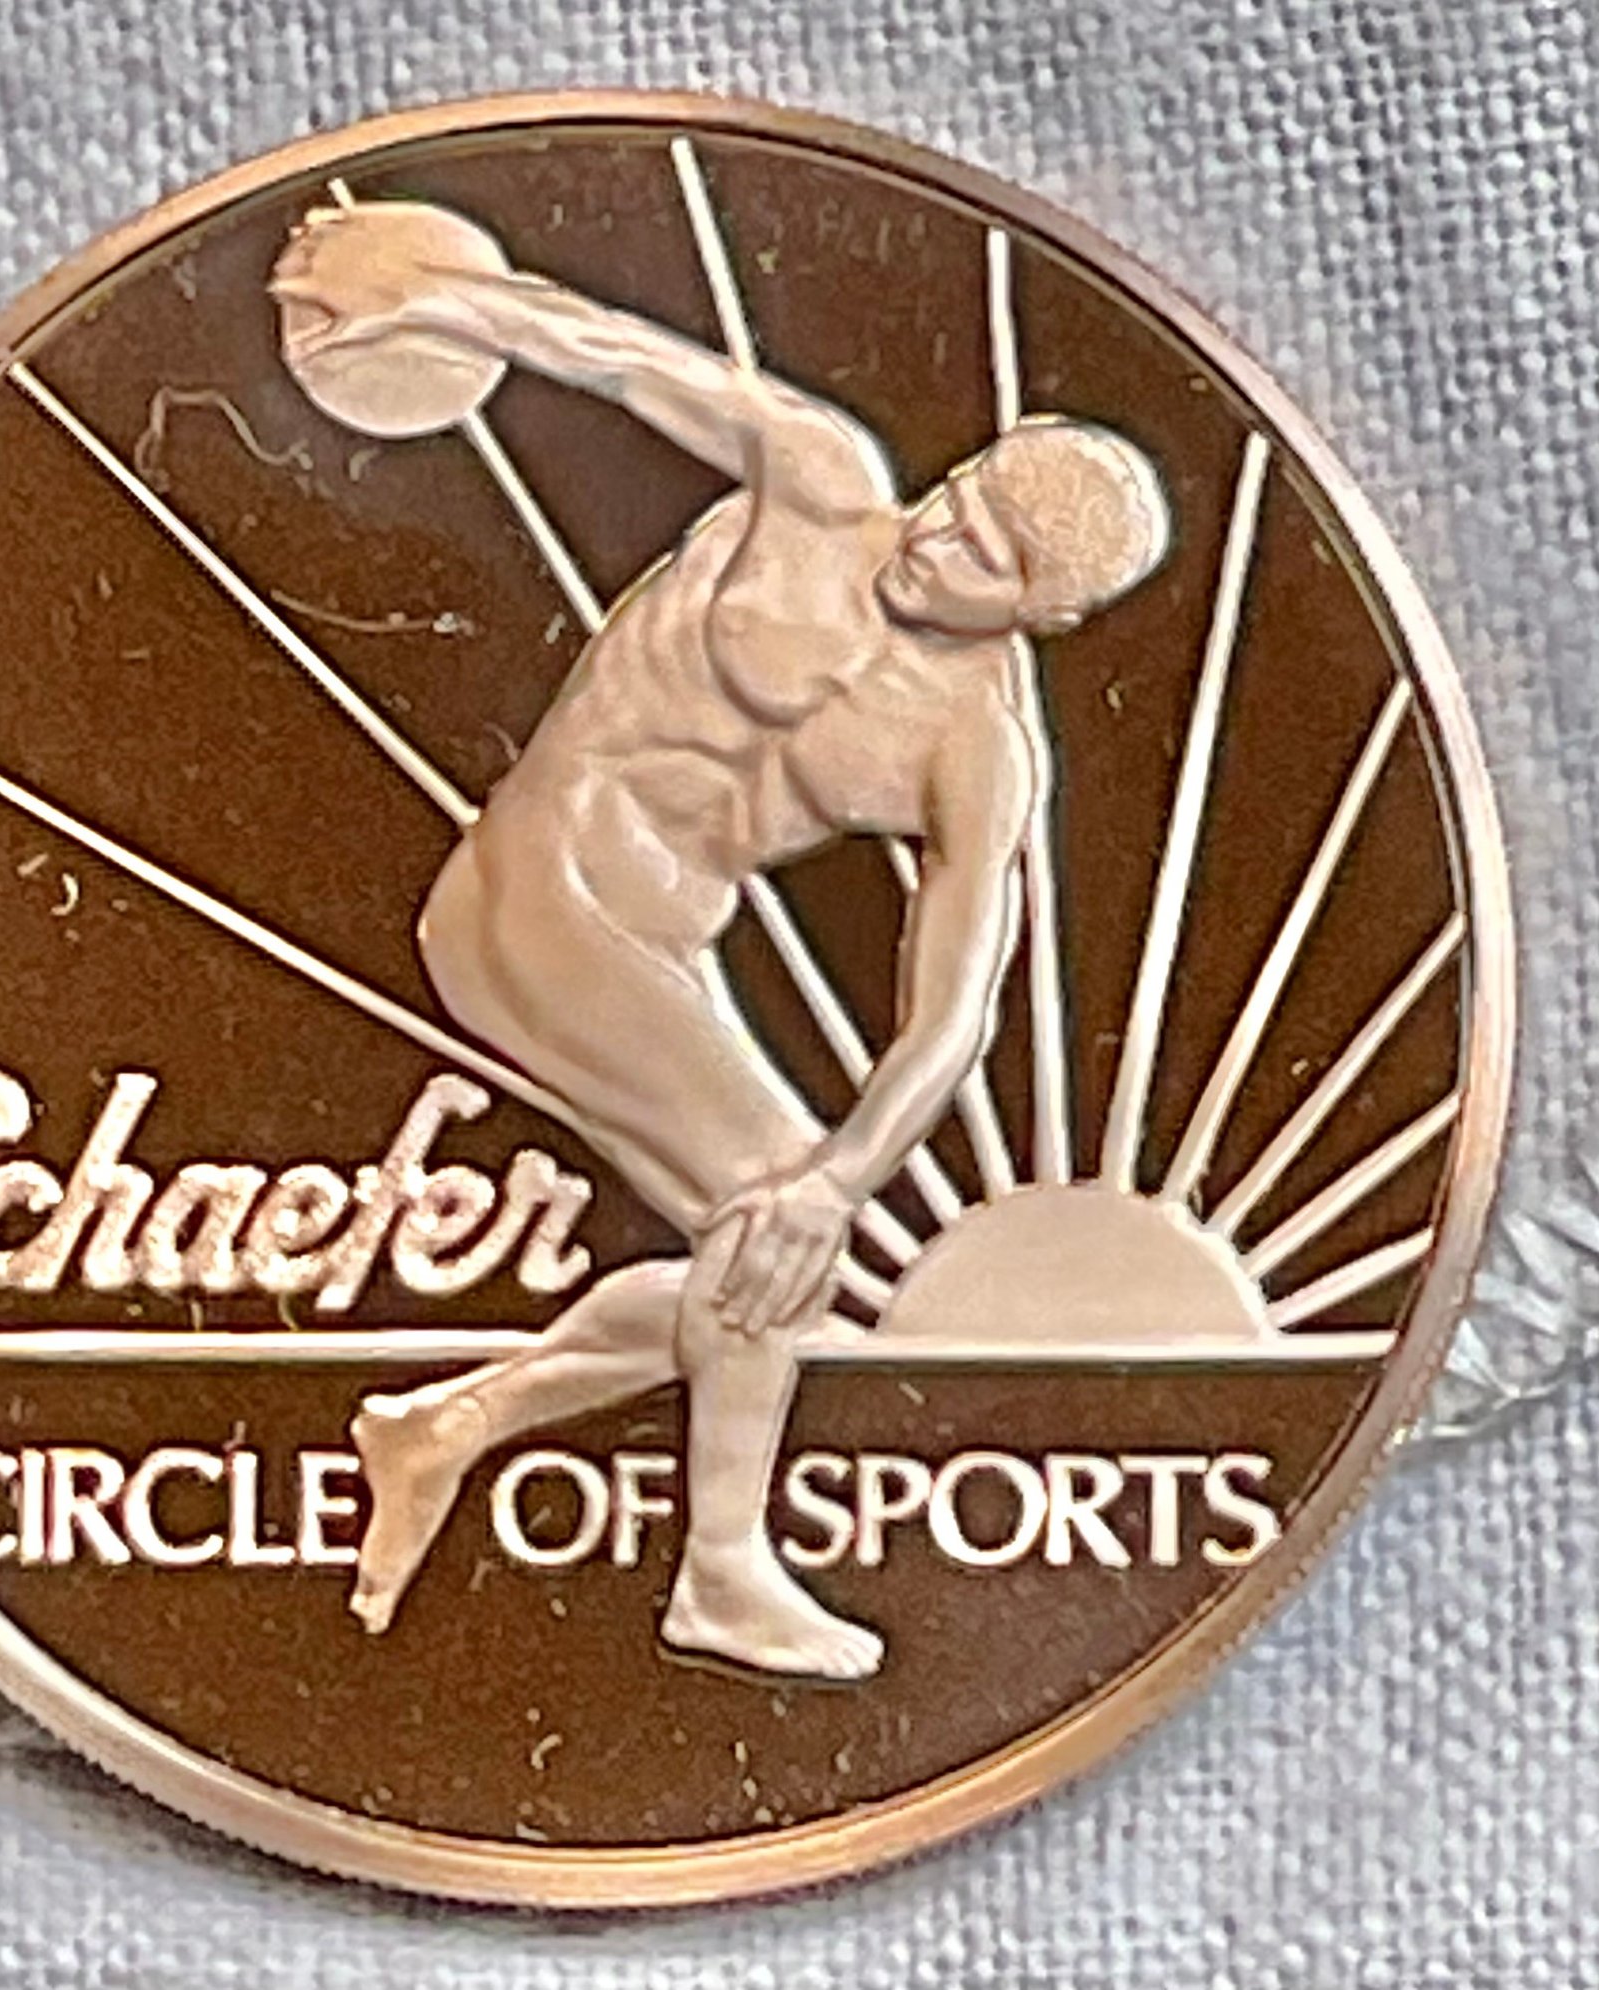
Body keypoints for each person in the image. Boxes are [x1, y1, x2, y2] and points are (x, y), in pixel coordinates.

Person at [270, 202, 1170, 1680]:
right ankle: (723, 1571)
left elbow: (955, 1009)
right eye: (961, 498)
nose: (941, 539)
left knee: (766, 1260)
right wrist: (430, 299)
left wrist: (842, 1176)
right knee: (768, 1229)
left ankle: (451, 1423)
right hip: (541, 887)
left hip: (653, 950)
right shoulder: (820, 480)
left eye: (992, 557)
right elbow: (615, 354)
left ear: (1045, 613)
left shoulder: (976, 747)